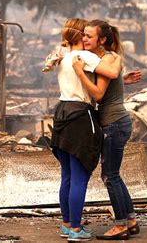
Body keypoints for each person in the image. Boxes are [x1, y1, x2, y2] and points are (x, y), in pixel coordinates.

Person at [47, 18, 122, 242]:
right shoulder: (85, 57)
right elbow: (112, 72)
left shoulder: (64, 57)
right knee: (80, 177)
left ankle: (67, 224)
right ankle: (77, 231)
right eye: (86, 34)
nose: (89, 38)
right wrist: (116, 55)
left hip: (62, 112)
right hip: (80, 116)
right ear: (81, 35)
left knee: (67, 176)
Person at [72, 19, 141, 240]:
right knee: (113, 175)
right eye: (83, 35)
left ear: (102, 39)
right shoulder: (108, 59)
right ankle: (130, 219)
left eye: (89, 36)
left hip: (114, 123)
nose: (84, 39)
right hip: (117, 122)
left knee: (110, 176)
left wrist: (80, 72)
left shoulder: (106, 60)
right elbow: (111, 83)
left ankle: (120, 224)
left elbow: (99, 95)